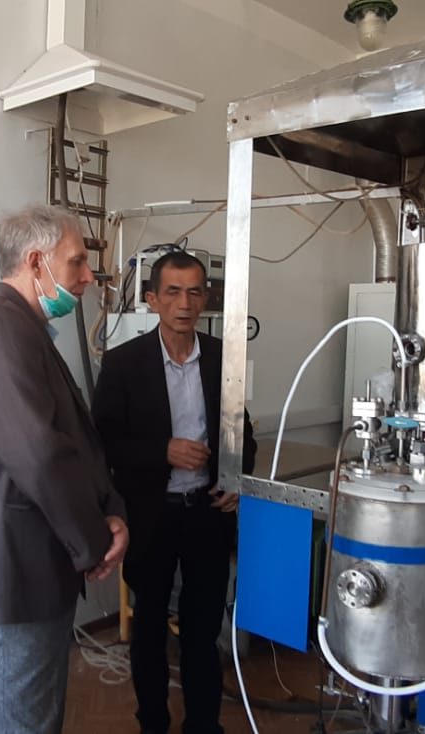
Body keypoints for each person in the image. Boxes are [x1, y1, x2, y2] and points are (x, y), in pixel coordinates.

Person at [0, 205, 129, 734]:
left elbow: (76, 446)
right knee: (21, 724)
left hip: (38, 569)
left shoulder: (26, 331)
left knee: (37, 719)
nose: (89, 276)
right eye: (77, 262)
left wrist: (110, 511)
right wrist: (94, 540)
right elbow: (39, 454)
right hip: (12, 576)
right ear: (35, 262)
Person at [93, 250, 257, 734]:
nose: (184, 303)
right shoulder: (124, 363)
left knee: (203, 629)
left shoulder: (224, 359)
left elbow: (243, 434)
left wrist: (235, 479)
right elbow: (103, 442)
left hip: (207, 512)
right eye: (172, 292)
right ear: (152, 299)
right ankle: (153, 723)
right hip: (151, 515)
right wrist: (161, 450)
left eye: (193, 292)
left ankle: (204, 724)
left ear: (205, 298)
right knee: (148, 627)